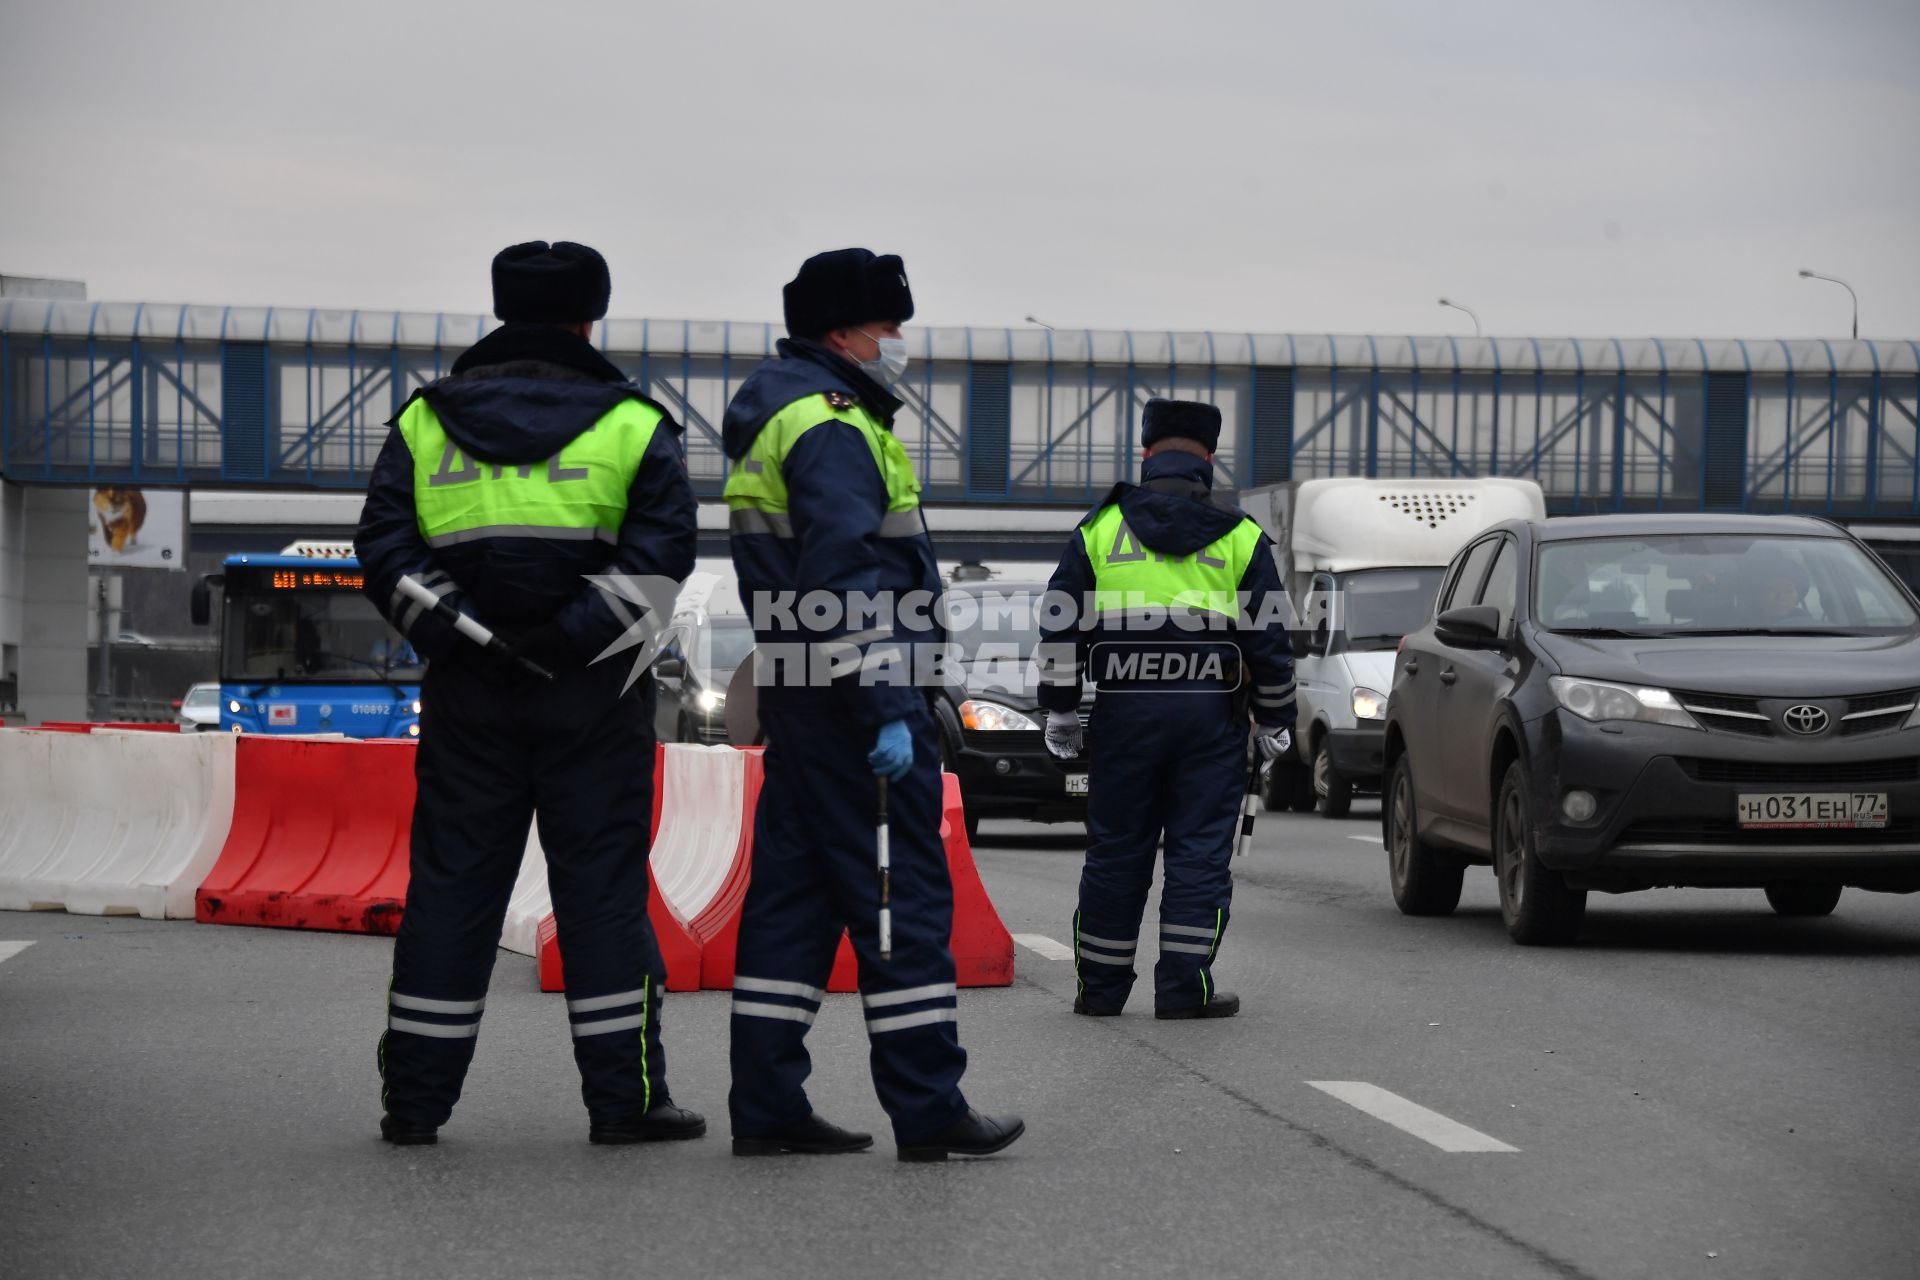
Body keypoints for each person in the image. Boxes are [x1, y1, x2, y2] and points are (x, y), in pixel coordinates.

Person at [354, 241, 700, 1146]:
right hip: (594, 698)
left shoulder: (424, 423)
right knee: (603, 898)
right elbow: (659, 564)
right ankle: (625, 1105)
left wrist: (471, 632)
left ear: (501, 309)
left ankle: (415, 1105)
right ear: (593, 318)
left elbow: (385, 554)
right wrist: (563, 641)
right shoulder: (634, 425)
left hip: (470, 695)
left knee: (452, 893)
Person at [721, 247, 1022, 1162]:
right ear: (844, 332)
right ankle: (929, 1108)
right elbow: (845, 580)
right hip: (854, 708)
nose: (899, 346)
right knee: (902, 908)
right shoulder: (834, 425)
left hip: (805, 699)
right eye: (891, 329)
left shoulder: (782, 413)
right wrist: (890, 702)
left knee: (792, 908)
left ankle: (769, 1105)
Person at [1035, 399, 1295, 1019]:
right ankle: (1182, 990)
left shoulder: (1098, 530)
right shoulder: (1242, 537)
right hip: (1211, 719)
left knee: (1117, 850)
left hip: (1125, 713)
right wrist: (1278, 717)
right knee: (1199, 851)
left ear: (1147, 455)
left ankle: (1099, 989)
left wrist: (1061, 709)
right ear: (1210, 459)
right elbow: (1271, 640)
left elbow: (1059, 622)